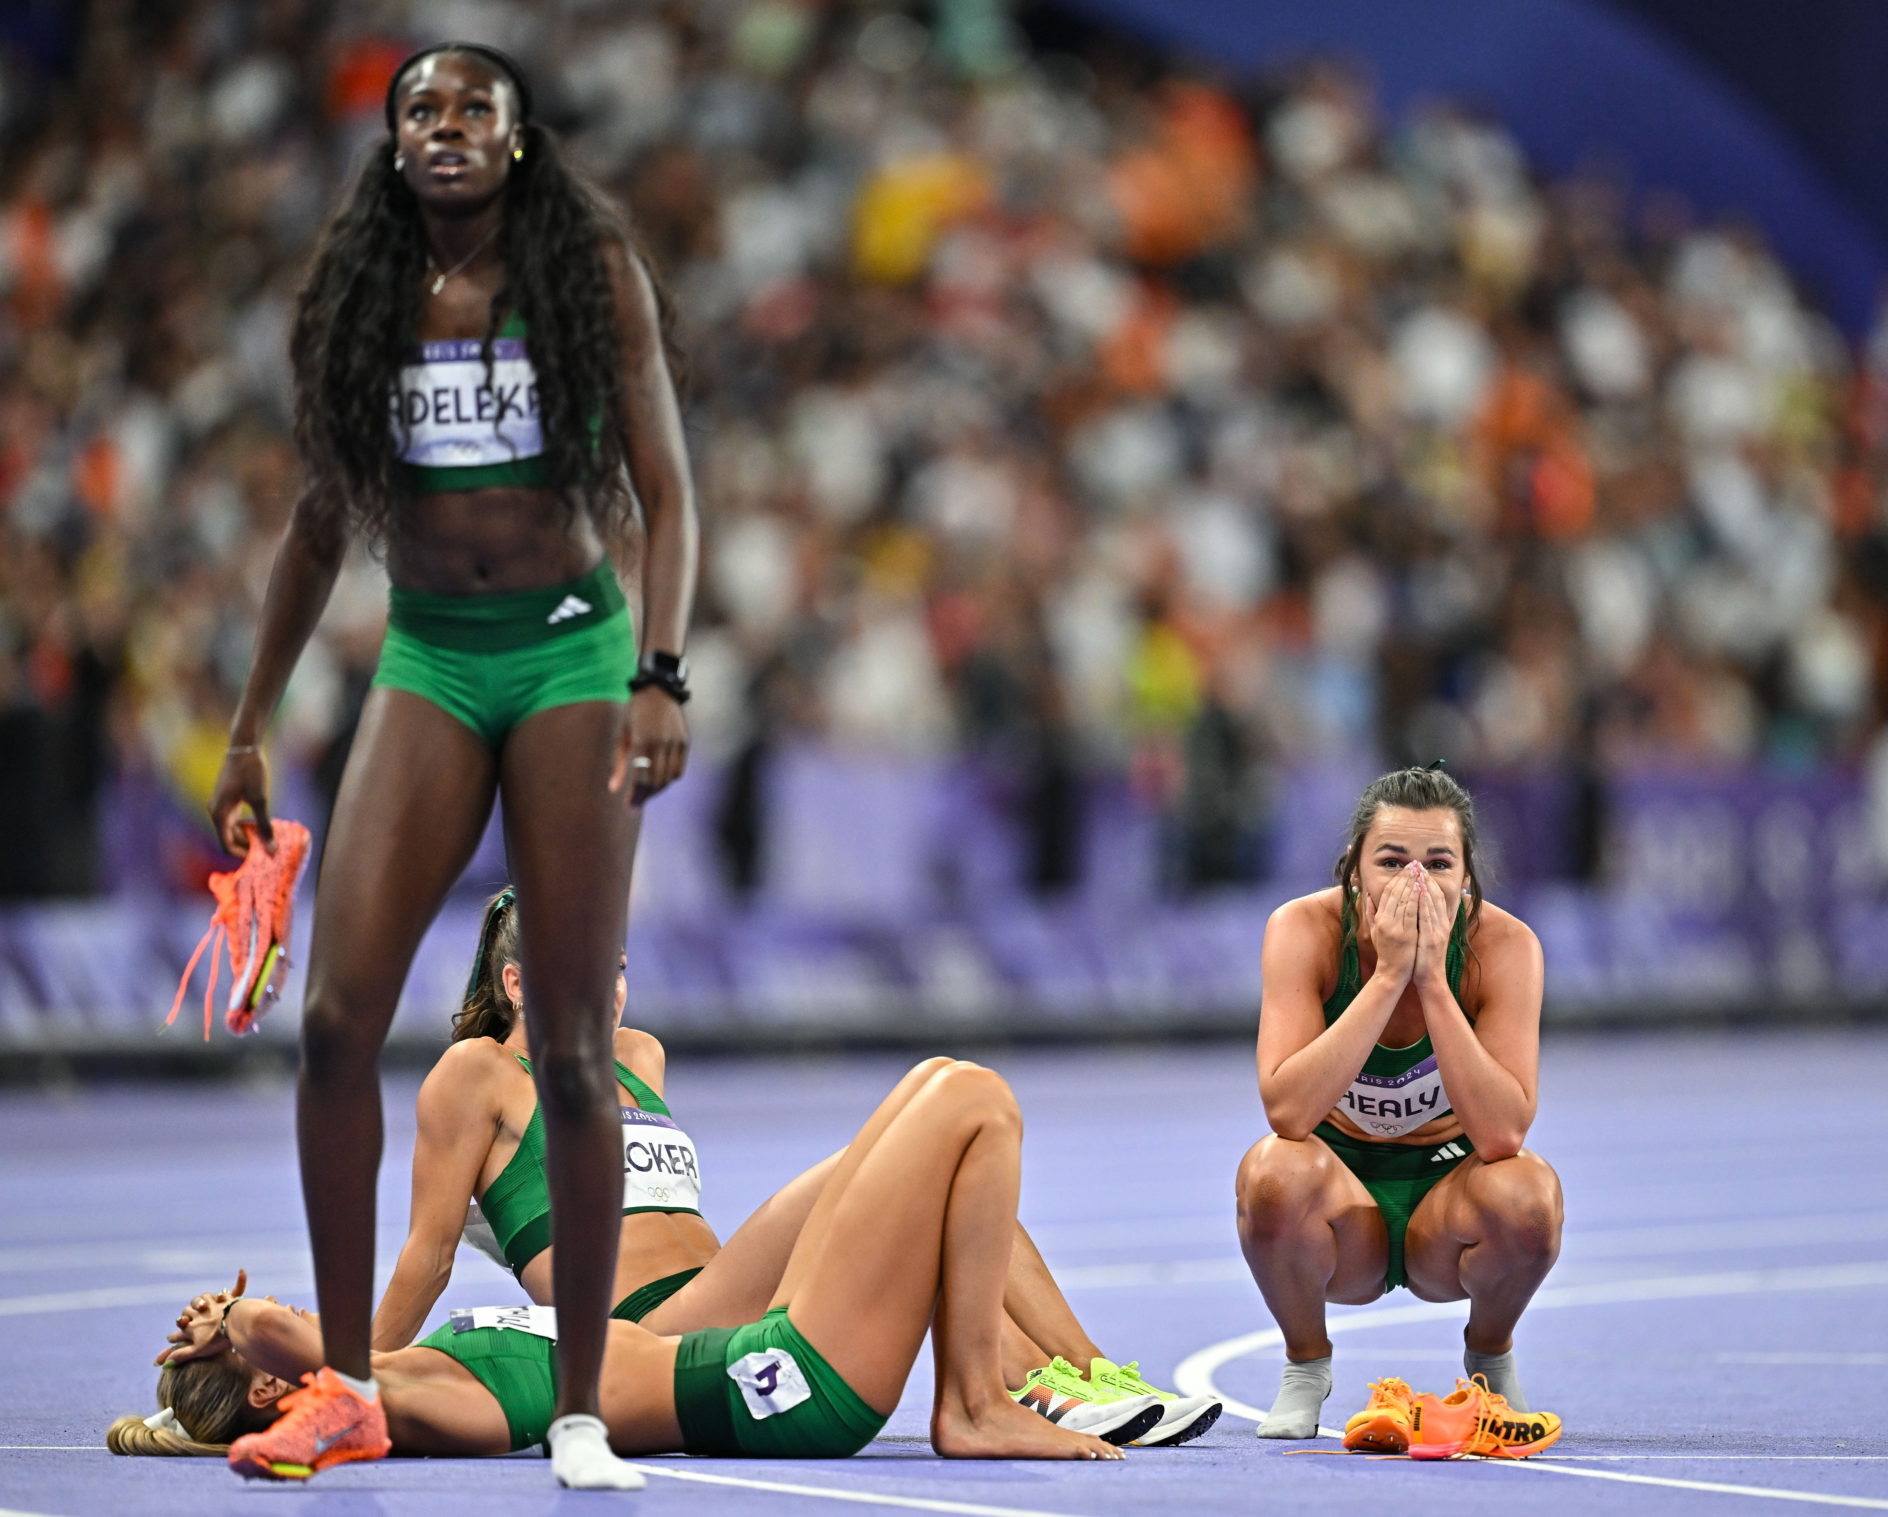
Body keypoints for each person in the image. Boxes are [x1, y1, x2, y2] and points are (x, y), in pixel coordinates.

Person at [205, 41, 697, 1489]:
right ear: (396, 143)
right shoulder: (362, 297)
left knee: (569, 1051)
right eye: (419, 109)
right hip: (429, 653)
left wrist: (659, 673)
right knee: (338, 1019)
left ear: (519, 137)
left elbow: (668, 487)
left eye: (472, 106)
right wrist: (248, 723)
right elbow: (314, 521)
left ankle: (586, 1407)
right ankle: (351, 1383)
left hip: (567, 655)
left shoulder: (586, 271)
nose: (446, 126)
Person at [370, 888, 1222, 1448]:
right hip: (643, 1330)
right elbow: (430, 1254)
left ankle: (1081, 1372)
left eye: (618, 969)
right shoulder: (474, 1075)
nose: (612, 991)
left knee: (934, 1188)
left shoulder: (640, 1057)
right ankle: (1033, 1384)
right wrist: (350, 1375)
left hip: (729, 1293)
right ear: (518, 984)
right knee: (898, 1156)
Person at [111, 1062, 1165, 1477]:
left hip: (744, 1351)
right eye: (272, 1326)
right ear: (271, 1383)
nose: (285, 1305)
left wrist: (209, 1367)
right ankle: (975, 1400)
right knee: (973, 1099)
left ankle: (1034, 1373)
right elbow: (335, 1353)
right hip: (775, 1383)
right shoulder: (422, 1401)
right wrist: (242, 1316)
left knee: (932, 1098)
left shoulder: (409, 1366)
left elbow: (350, 1349)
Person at [1234, 765, 1563, 1439]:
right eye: (1392, 861)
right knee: (1270, 1173)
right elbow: (1289, 1113)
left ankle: (1490, 1353)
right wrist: (1387, 976)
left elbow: (1503, 1133)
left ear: (1467, 878)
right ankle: (1305, 1362)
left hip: (1448, 1200)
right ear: (1353, 872)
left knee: (1532, 1197)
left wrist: (1435, 985)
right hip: (1339, 1201)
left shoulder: (1506, 946)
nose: (1416, 882)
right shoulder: (1303, 931)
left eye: (1439, 863)